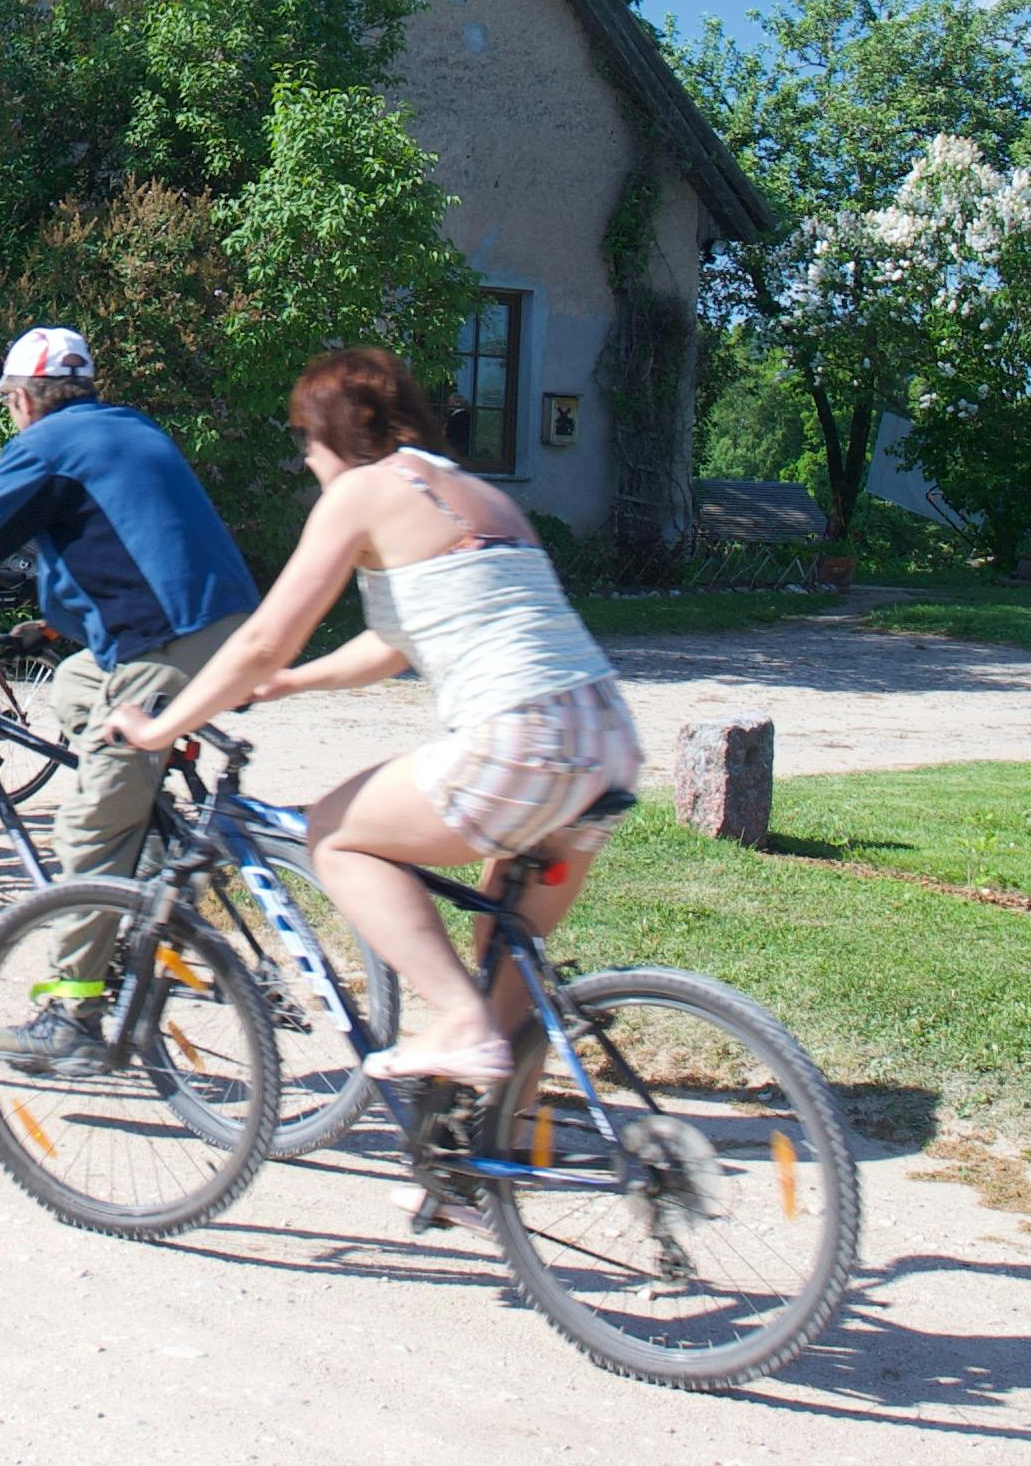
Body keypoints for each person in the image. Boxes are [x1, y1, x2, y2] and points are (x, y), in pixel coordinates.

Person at [112, 347, 637, 1087]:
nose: (306, 458)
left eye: (306, 437)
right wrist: (290, 684)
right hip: (605, 737)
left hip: (521, 738)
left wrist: (161, 729)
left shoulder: (362, 490)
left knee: (333, 835)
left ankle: (458, 1025)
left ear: (337, 430)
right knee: (503, 963)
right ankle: (498, 1142)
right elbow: (396, 643)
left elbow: (264, 638)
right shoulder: (479, 495)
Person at [0, 326, 260, 1068]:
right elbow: (121, 542)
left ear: (22, 398)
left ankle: (72, 1014)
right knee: (76, 686)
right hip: (230, 628)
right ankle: (153, 838)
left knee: (87, 828)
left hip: (165, 645)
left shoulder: (45, 445)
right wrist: (50, 626)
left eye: (11, 401)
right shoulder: (129, 427)